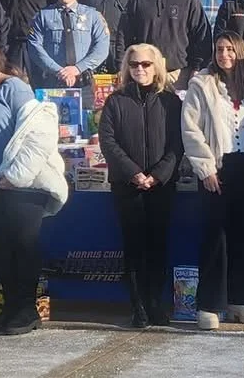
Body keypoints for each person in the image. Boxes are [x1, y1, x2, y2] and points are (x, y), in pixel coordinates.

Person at [0, 38, 69, 336]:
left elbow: (39, 131)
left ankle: (26, 309)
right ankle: (10, 307)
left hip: (20, 185)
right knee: (2, 250)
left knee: (23, 246)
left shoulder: (14, 88)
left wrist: (16, 175)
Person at [181, 32, 244, 330]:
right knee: (215, 237)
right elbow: (191, 129)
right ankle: (209, 304)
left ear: (241, 52)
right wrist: (205, 168)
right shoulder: (201, 85)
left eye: (230, 49)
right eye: (220, 49)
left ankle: (241, 299)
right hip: (216, 166)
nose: (224, 55)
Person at [97, 43, 186, 329]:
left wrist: (158, 174)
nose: (140, 69)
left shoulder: (171, 102)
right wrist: (134, 173)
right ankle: (138, 307)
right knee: (134, 248)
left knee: (158, 246)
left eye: (146, 64)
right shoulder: (115, 101)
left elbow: (177, 144)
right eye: (134, 64)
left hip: (161, 186)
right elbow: (108, 142)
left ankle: (156, 304)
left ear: (156, 66)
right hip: (128, 187)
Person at [119, 0, 213, 82]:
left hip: (179, 75)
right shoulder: (137, 0)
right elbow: (124, 35)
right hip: (145, 73)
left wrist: (197, 68)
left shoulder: (188, 0)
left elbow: (202, 37)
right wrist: (123, 66)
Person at [27, 0, 113, 88]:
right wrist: (59, 71)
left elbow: (102, 47)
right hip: (52, 81)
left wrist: (77, 68)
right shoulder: (42, 17)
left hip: (84, 81)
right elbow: (34, 47)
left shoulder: (93, 16)